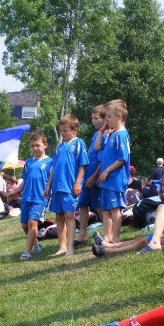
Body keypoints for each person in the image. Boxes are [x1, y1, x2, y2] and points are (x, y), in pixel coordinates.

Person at [91, 171, 164, 257]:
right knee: (139, 239)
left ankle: (107, 251)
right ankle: (109, 245)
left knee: (140, 242)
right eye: (163, 185)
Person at [44, 114, 88, 256]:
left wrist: (77, 182)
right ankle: (62, 246)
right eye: (61, 131)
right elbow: (53, 167)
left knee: (69, 214)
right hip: (57, 186)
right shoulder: (59, 146)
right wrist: (48, 185)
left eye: (65, 131)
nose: (63, 133)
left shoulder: (78, 143)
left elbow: (82, 165)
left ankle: (70, 248)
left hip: (69, 185)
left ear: (74, 129)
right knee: (59, 217)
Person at [10, 131, 53, 260]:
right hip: (26, 197)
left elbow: (51, 179)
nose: (35, 148)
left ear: (45, 145)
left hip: (40, 198)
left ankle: (27, 252)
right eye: (33, 145)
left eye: (38, 145)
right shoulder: (28, 162)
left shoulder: (50, 162)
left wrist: (49, 190)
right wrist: (16, 191)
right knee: (24, 226)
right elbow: (24, 180)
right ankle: (35, 245)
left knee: (32, 222)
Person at [95, 100, 130, 244]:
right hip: (106, 180)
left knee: (114, 210)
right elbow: (97, 147)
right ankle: (107, 237)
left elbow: (122, 158)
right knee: (105, 210)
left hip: (114, 179)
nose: (106, 119)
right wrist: (102, 130)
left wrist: (107, 171)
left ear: (119, 117)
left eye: (109, 117)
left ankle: (115, 238)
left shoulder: (122, 135)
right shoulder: (112, 134)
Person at [75, 105, 105, 246]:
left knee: (98, 206)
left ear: (105, 119)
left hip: (95, 177)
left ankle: (107, 233)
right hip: (87, 176)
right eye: (92, 118)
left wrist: (94, 176)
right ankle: (82, 235)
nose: (93, 121)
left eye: (96, 118)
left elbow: (104, 159)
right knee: (83, 204)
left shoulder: (105, 135)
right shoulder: (96, 135)